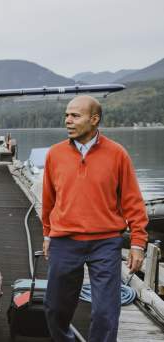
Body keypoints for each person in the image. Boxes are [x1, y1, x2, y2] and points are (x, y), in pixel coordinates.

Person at [42, 95, 148, 342]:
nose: (68, 120)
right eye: (66, 115)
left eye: (75, 116)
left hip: (106, 242)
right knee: (55, 308)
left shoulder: (117, 154)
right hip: (64, 241)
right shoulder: (55, 154)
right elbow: (48, 200)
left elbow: (133, 202)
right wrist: (47, 234)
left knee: (105, 312)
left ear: (94, 119)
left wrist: (137, 243)